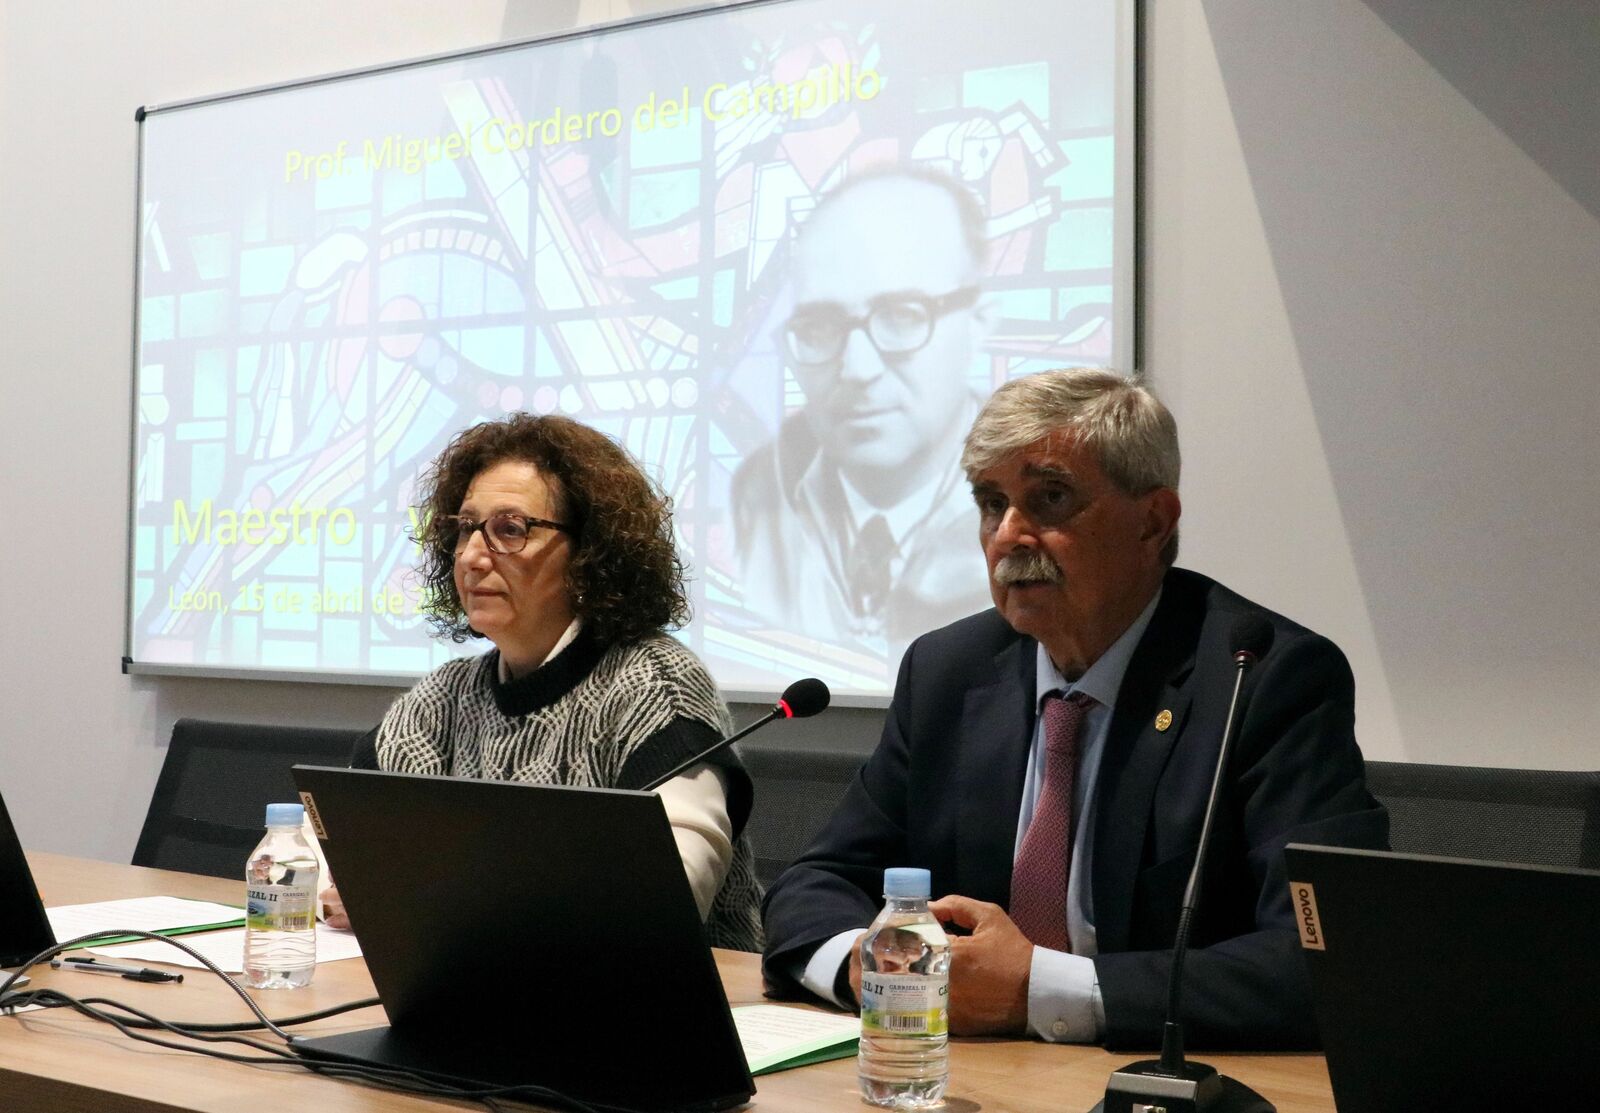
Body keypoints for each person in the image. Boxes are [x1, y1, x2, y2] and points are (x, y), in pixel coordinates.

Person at [760, 368, 1387, 1048]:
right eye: (991, 503)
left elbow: (1318, 960)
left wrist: (1038, 988)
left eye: (1050, 498)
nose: (1008, 536)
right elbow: (816, 882)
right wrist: (868, 966)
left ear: (1154, 521)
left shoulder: (1263, 679)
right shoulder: (948, 671)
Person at [323, 413, 763, 951]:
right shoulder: (442, 700)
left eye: (510, 529)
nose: (472, 556)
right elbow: (324, 850)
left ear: (591, 552)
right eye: (465, 528)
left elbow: (666, 895)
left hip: (678, 1011)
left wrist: (438, 896)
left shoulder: (656, 685)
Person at [732, 165, 995, 653]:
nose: (856, 368)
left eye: (902, 316)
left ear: (978, 324)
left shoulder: (1034, 514)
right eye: (819, 325)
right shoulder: (757, 496)